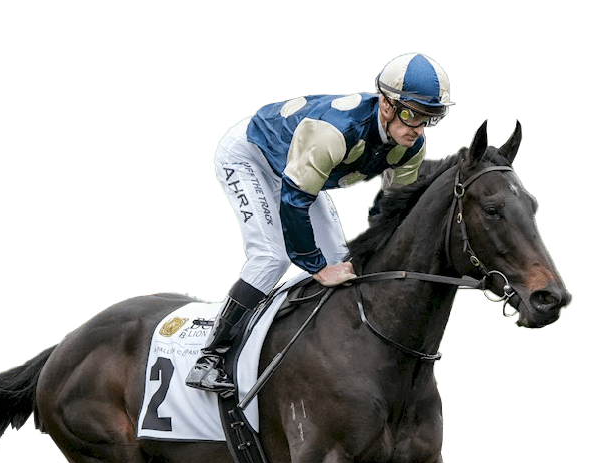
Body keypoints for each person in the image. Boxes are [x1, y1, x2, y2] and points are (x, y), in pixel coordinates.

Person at [185, 52, 456, 393]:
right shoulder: (335, 133)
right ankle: (210, 357)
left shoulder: (410, 147)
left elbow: (389, 211)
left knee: (344, 265)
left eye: (429, 119)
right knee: (273, 258)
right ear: (386, 105)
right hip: (251, 156)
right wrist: (314, 266)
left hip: (298, 173)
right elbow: (293, 203)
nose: (417, 130)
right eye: (411, 115)